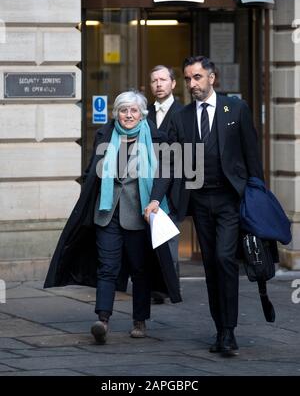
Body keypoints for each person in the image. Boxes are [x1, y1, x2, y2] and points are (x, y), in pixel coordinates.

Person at [145, 56, 264, 356]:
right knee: (211, 264)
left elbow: (252, 156)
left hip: (229, 200)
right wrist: (157, 197)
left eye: (197, 77)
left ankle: (230, 329)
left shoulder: (234, 109)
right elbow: (169, 161)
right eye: (187, 79)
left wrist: (258, 195)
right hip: (199, 201)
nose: (192, 84)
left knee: (225, 259)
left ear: (212, 78)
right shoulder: (182, 117)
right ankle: (221, 329)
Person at [44, 90, 181, 344]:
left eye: (134, 110)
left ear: (142, 114)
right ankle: (102, 320)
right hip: (106, 213)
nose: (128, 115)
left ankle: (139, 320)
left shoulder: (156, 137)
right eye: (123, 110)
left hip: (139, 214)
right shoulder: (105, 134)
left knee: (140, 271)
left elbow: (165, 171)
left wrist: (154, 200)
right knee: (106, 268)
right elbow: (92, 170)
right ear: (116, 113)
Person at [148, 65, 183, 304]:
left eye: (163, 79)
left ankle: (171, 286)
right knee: (150, 235)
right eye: (154, 81)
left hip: (175, 184)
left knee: (169, 237)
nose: (159, 84)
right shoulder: (144, 112)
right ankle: (155, 287)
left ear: (173, 84)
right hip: (148, 182)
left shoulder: (184, 112)